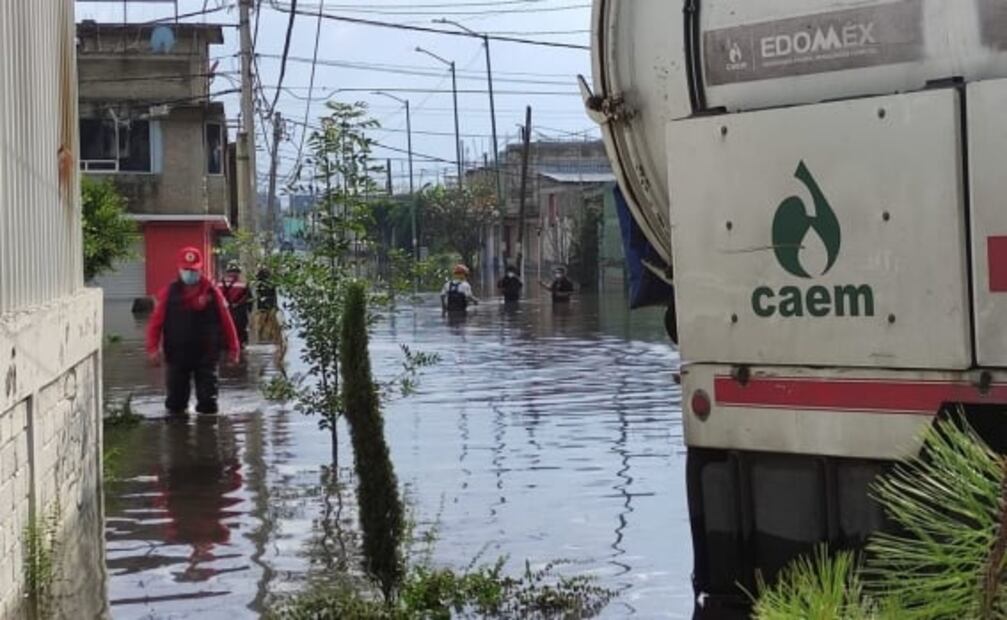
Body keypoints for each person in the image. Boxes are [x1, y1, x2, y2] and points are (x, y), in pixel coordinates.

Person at [147, 247, 241, 416]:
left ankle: (207, 439)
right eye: (186, 269)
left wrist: (234, 350)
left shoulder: (213, 293)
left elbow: (228, 322)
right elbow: (155, 323)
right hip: (177, 357)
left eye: (193, 270)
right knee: (175, 405)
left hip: (206, 356)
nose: (190, 273)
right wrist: (152, 349)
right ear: (179, 269)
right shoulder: (169, 293)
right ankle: (178, 439)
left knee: (208, 405)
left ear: (200, 269)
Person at [220, 262, 251, 347]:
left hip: (225, 312)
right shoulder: (244, 284)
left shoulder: (219, 283)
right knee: (240, 332)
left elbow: (217, 298)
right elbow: (248, 299)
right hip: (239, 313)